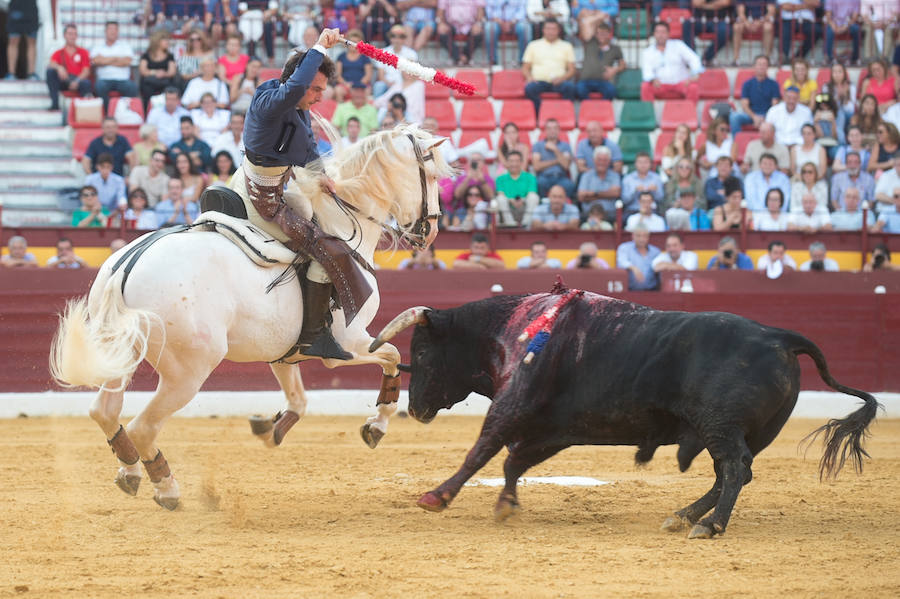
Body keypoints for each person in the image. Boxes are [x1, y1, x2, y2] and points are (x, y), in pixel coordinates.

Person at [229, 27, 374, 360]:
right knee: (328, 252)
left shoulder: (290, 104)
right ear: (299, 82)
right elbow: (297, 87)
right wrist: (320, 46)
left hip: (262, 183)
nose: (321, 97)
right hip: (263, 200)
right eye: (317, 89)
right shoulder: (276, 101)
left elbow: (308, 147)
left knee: (317, 217)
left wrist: (321, 177)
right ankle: (314, 336)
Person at [640, 21, 701, 103]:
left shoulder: (678, 45)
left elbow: (694, 58)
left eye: (663, 32)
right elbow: (647, 70)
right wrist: (652, 79)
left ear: (668, 34)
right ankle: (648, 114)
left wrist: (694, 75)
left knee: (693, 87)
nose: (660, 35)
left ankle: (690, 113)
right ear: (654, 34)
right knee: (645, 87)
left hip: (681, 83)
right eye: (658, 32)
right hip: (660, 85)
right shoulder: (648, 52)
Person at [522, 19, 576, 112]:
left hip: (559, 82)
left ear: (558, 30)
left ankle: (564, 114)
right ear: (543, 30)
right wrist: (529, 77)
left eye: (553, 29)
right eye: (548, 28)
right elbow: (525, 67)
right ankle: (539, 114)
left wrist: (562, 78)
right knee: (529, 88)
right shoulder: (533, 45)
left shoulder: (567, 46)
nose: (551, 31)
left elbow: (572, 70)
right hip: (539, 82)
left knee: (570, 87)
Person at [90, 22, 139, 111]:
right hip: (104, 80)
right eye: (110, 29)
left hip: (123, 80)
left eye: (115, 29)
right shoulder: (98, 46)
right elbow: (96, 61)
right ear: (105, 31)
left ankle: (125, 112)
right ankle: (108, 114)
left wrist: (105, 60)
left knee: (132, 87)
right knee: (99, 87)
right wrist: (116, 58)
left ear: (118, 31)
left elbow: (127, 61)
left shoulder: (125, 46)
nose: (113, 32)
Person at [45, 23, 92, 111]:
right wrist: (59, 67)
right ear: (65, 35)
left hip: (78, 80)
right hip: (64, 80)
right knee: (50, 72)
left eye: (74, 34)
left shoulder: (83, 52)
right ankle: (55, 104)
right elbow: (51, 63)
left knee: (86, 83)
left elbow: (86, 71)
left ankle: (84, 110)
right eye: (70, 34)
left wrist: (76, 81)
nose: (72, 36)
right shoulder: (59, 52)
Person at [576, 20, 624, 100]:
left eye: (604, 33)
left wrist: (615, 70)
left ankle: (602, 110)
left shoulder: (615, 48)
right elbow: (585, 26)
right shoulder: (590, 43)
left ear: (609, 34)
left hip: (603, 82)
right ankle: (589, 110)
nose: (601, 36)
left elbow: (623, 64)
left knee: (611, 90)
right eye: (598, 33)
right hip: (585, 81)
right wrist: (598, 17)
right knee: (579, 89)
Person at [495, 150, 539, 227]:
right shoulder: (500, 178)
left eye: (517, 161)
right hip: (508, 208)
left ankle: (526, 224)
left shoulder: (530, 177)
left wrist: (522, 200)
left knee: (534, 197)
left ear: (521, 162)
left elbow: (531, 193)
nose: (514, 164)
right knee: (500, 198)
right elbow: (500, 194)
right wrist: (510, 200)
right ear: (507, 162)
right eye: (511, 161)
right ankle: (510, 224)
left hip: (524, 207)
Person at [532, 119, 575, 198]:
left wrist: (555, 149)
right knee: (539, 183)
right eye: (549, 128)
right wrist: (556, 161)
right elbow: (536, 167)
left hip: (561, 177)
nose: (552, 131)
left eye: (555, 128)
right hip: (544, 177)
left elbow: (566, 166)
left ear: (559, 130)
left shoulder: (566, 146)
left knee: (570, 185)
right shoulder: (538, 145)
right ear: (545, 130)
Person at [682, 0, 732, 66]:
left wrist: (704, 5)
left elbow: (725, 2)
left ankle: (705, 58)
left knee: (726, 31)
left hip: (719, 20)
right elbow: (696, 3)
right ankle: (692, 58)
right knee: (687, 24)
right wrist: (714, 5)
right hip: (700, 19)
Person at [577, 146, 621, 219]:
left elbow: (616, 193)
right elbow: (581, 197)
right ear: (594, 160)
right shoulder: (586, 175)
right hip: (589, 216)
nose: (602, 163)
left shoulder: (614, 176)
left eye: (605, 160)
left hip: (610, 216)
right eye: (599, 160)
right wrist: (607, 194)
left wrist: (594, 194)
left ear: (609, 161)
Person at [436, 0, 485, 66]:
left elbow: (480, 10)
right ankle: (460, 57)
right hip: (451, 24)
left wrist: (478, 24)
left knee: (478, 32)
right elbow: (440, 11)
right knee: (441, 31)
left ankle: (463, 57)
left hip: (470, 24)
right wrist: (440, 23)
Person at [138, 30, 177, 112]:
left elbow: (172, 72)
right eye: (165, 40)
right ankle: (147, 113)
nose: (167, 42)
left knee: (170, 89)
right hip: (149, 82)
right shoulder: (146, 55)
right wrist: (155, 72)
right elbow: (143, 71)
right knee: (147, 89)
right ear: (157, 41)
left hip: (165, 82)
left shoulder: (170, 56)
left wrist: (164, 74)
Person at [483, 0, 531, 66]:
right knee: (489, 28)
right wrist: (501, 22)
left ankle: (524, 61)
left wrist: (511, 22)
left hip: (516, 22)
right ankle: (493, 61)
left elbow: (522, 10)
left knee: (525, 28)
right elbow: (489, 11)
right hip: (496, 22)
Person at [617, 225, 661, 290]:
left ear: (648, 237)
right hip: (630, 291)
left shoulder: (655, 251)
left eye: (644, 236)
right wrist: (633, 268)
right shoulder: (624, 248)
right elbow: (621, 262)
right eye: (638, 236)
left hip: (652, 291)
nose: (641, 239)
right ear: (632, 236)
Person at [334, 29, 373, 102]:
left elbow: (368, 76)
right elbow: (338, 76)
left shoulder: (365, 58)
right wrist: (346, 84)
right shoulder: (341, 57)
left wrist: (358, 85)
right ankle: (340, 111)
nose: (352, 44)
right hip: (346, 85)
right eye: (350, 42)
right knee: (338, 90)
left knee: (367, 91)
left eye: (355, 42)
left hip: (361, 85)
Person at [5, 0, 39, 80]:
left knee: (32, 42)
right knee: (13, 41)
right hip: (16, 5)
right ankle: (11, 73)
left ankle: (32, 73)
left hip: (31, 7)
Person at [825, 0, 861, 65]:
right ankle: (829, 57)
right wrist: (834, 26)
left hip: (849, 23)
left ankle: (855, 58)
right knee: (829, 31)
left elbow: (854, 17)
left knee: (856, 29)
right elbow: (828, 16)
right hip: (834, 23)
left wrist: (845, 27)